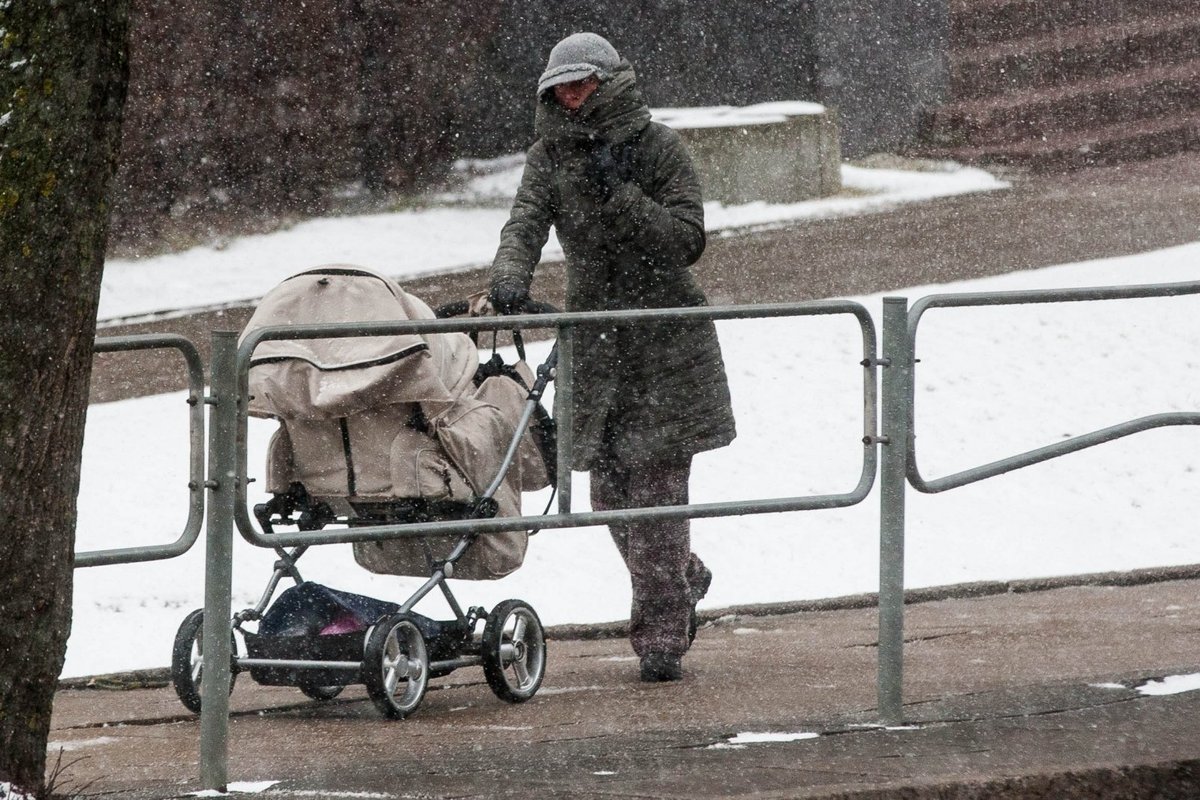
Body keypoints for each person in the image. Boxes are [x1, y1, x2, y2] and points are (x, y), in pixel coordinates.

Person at [489, 32, 736, 682]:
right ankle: (681, 578)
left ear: (607, 82)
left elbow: (686, 239)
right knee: (607, 495)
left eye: (582, 85)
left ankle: (659, 641)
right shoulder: (549, 157)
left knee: (655, 496)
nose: (572, 98)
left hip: (665, 349)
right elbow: (525, 221)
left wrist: (621, 196)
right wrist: (509, 278)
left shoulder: (658, 148)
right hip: (596, 352)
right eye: (560, 89)